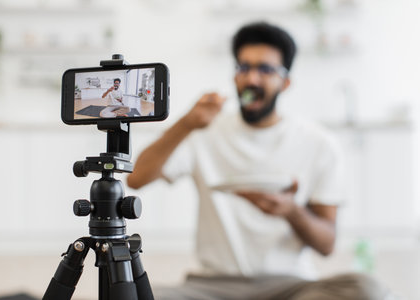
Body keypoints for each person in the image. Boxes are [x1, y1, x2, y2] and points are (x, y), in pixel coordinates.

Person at [127, 22, 389, 300]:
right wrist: (186, 124)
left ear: (285, 82)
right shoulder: (203, 131)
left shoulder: (319, 144)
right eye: (244, 68)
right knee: (131, 295)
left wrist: (291, 211)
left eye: (265, 69)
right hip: (212, 287)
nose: (252, 79)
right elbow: (136, 178)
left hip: (290, 287)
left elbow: (326, 244)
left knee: (366, 289)